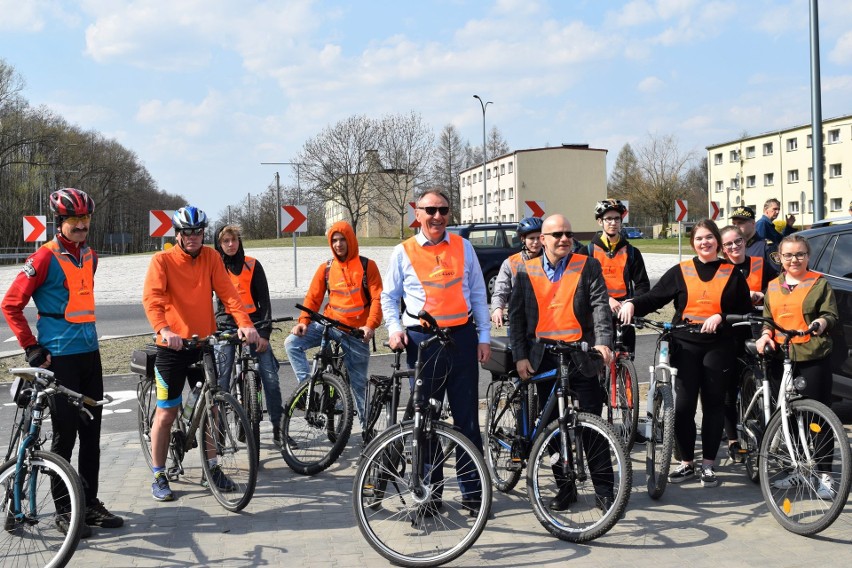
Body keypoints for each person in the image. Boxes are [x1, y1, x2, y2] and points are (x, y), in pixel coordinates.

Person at [1, 188, 123, 537]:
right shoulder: (43, 258)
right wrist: (31, 347)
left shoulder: (91, 256)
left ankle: (89, 503)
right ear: (60, 222)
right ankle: (66, 512)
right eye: (75, 220)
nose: (82, 226)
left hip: (89, 354)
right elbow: (10, 305)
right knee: (65, 437)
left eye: (86, 220)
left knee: (92, 435)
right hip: (59, 358)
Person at [620, 219, 752, 488]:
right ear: (693, 243)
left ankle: (708, 465)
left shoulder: (732, 273)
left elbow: (745, 313)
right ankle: (686, 462)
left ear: (717, 241)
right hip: (685, 342)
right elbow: (656, 297)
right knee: (683, 406)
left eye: (709, 238)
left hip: (719, 345)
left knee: (714, 404)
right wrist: (632, 304)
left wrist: (722, 316)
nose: (705, 243)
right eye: (700, 238)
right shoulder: (681, 271)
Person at [381, 188, 490, 513]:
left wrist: (483, 336)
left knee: (467, 421)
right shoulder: (402, 252)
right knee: (424, 419)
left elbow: (477, 293)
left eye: (443, 210)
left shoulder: (463, 246)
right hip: (422, 342)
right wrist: (394, 329)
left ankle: (474, 494)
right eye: (430, 210)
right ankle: (429, 495)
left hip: (462, 338)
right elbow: (389, 296)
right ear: (418, 213)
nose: (437, 217)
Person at [142, 206, 258, 502]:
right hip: (171, 347)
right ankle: (158, 473)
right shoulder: (163, 260)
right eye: (186, 232)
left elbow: (229, 294)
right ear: (178, 235)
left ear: (204, 232)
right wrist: (164, 329)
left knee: (212, 407)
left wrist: (245, 324)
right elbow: (152, 299)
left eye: (197, 232)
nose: (192, 237)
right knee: (167, 413)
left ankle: (213, 467)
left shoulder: (210, 257)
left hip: (202, 343)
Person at [509, 214, 615, 511]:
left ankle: (605, 490)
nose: (564, 238)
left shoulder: (587, 265)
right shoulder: (525, 271)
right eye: (556, 234)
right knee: (553, 429)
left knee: (593, 424)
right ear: (542, 240)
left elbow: (599, 307)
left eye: (568, 233)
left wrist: (603, 343)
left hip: (581, 356)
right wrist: (520, 356)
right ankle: (565, 487)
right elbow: (516, 319)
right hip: (543, 359)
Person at [755, 234, 839, 498]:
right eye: (788, 255)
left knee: (818, 417)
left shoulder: (818, 282)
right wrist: (765, 335)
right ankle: (798, 469)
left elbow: (830, 314)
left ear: (808, 256)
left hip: (812, 355)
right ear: (779, 257)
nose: (794, 260)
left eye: (800, 254)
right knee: (789, 416)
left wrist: (821, 324)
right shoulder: (773, 286)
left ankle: (824, 473)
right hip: (782, 357)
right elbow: (768, 318)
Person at [284, 220, 382, 432]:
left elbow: (377, 299)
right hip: (328, 325)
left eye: (342, 239)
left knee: (358, 386)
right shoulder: (327, 269)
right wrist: (303, 322)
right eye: (334, 240)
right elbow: (313, 298)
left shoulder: (367, 266)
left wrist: (370, 326)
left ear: (351, 240)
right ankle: (307, 388)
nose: (338, 244)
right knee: (292, 343)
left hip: (355, 333)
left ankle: (367, 431)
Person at [213, 225, 285, 447]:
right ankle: (220, 434)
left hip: (254, 326)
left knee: (270, 379)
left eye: (233, 240)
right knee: (221, 381)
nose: (230, 245)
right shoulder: (214, 267)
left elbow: (265, 301)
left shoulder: (252, 265)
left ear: (239, 241)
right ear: (219, 244)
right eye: (225, 241)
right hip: (226, 327)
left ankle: (278, 428)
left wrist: (264, 334)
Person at [719, 224, 778, 462]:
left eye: (738, 242)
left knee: (759, 383)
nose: (734, 247)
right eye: (729, 244)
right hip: (728, 330)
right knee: (728, 389)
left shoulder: (759, 263)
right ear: (722, 248)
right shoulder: (719, 268)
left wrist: (763, 294)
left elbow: (779, 285)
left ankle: (765, 434)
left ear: (745, 241)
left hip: (755, 327)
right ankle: (733, 440)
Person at [490, 216, 543, 328]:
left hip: (545, 320)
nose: (536, 242)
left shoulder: (551, 260)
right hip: (519, 321)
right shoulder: (511, 263)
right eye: (532, 238)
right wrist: (497, 309)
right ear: (523, 239)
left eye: (539, 238)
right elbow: (500, 291)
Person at [730, 206, 780, 271]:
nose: (736, 226)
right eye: (734, 224)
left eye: (740, 223)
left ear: (753, 224)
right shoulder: (734, 248)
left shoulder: (767, 247)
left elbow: (778, 275)